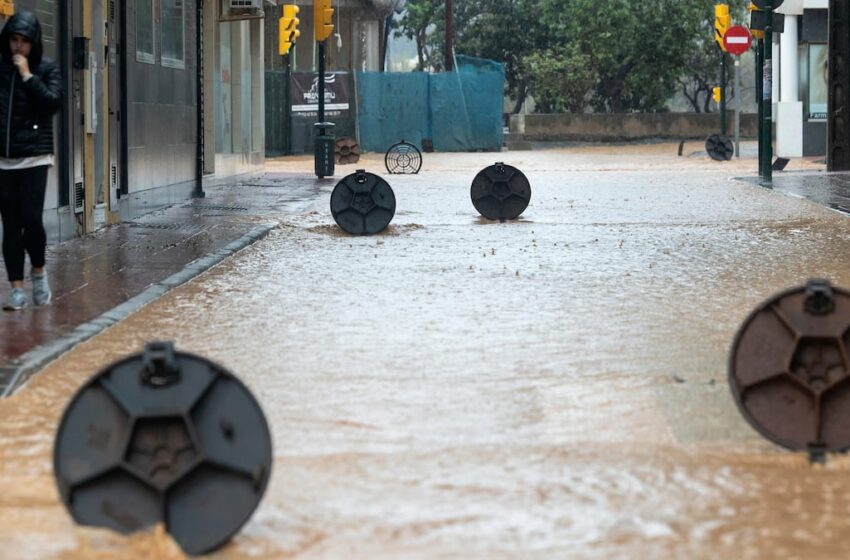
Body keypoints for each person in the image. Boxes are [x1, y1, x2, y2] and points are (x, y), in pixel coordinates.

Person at [0, 12, 61, 310]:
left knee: (31, 220)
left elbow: (52, 103)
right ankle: (16, 289)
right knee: (10, 226)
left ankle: (38, 271)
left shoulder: (47, 69)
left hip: (35, 156)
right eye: (13, 40)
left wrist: (27, 76)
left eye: (24, 42)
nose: (18, 47)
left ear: (33, 43)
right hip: (4, 160)